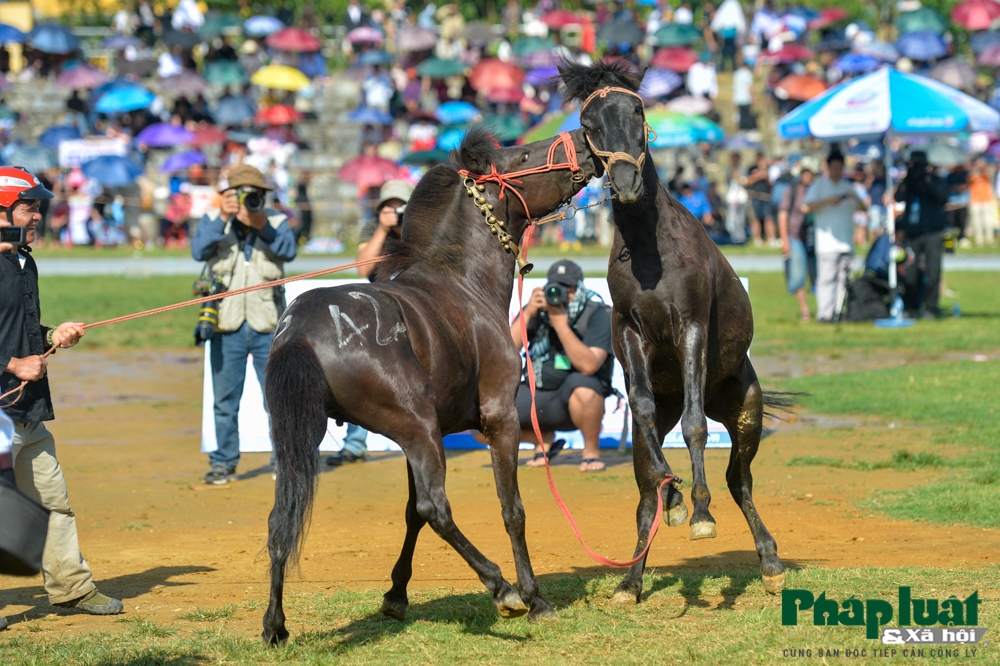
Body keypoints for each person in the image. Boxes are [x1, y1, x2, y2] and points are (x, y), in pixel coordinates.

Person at [0, 166, 123, 618]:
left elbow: (19, 329)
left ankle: (71, 587)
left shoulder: (23, 261)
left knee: (53, 501)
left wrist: (54, 334)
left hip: (27, 409)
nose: (38, 216)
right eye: (30, 207)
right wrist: (12, 364)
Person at [191, 165, 297, 484]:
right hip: (226, 322)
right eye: (241, 193)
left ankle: (285, 460)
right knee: (225, 400)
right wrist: (224, 216)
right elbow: (199, 251)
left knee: (276, 398)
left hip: (268, 322)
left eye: (256, 194)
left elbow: (288, 251)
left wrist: (261, 224)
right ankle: (223, 462)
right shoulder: (214, 221)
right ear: (228, 196)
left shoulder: (275, 220)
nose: (250, 199)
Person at [325, 180, 414, 468]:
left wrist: (404, 227)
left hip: (417, 307)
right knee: (365, 371)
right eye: (388, 206)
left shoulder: (422, 228)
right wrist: (383, 229)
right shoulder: (372, 229)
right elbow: (363, 268)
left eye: (399, 206)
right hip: (381, 309)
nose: (394, 211)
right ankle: (355, 444)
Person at [510, 260, 614, 473]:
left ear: (580, 288)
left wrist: (561, 325)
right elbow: (505, 352)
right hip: (535, 394)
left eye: (570, 289)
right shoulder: (536, 311)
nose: (562, 295)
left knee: (584, 387)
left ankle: (591, 452)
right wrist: (528, 312)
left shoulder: (597, 313)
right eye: (555, 288)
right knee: (482, 410)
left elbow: (589, 366)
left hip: (574, 400)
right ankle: (541, 439)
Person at [803, 151, 862, 323]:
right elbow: (806, 208)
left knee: (843, 281)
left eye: (840, 167)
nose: (837, 170)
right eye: (834, 167)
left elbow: (864, 208)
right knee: (827, 279)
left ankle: (838, 312)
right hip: (827, 243)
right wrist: (828, 201)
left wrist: (854, 197)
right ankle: (824, 314)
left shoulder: (848, 187)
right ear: (828, 168)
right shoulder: (819, 186)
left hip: (846, 242)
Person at [894, 151, 949, 319]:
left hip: (932, 232)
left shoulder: (936, 179)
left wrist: (927, 183)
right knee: (910, 272)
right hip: (913, 233)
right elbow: (898, 197)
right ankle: (910, 307)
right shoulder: (908, 181)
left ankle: (931, 308)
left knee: (933, 271)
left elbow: (942, 198)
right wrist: (907, 179)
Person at [778, 157, 818, 321]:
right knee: (797, 275)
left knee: (818, 276)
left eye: (810, 173)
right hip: (795, 236)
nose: (808, 176)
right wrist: (785, 240)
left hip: (814, 237)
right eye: (805, 172)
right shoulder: (792, 190)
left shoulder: (817, 190)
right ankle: (805, 311)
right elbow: (782, 215)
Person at [967, 158, 997, 247]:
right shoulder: (973, 173)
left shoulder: (986, 172)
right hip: (975, 200)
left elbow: (990, 175)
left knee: (988, 221)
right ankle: (979, 240)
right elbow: (969, 179)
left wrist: (983, 168)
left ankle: (989, 239)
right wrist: (976, 169)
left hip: (986, 200)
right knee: (976, 222)